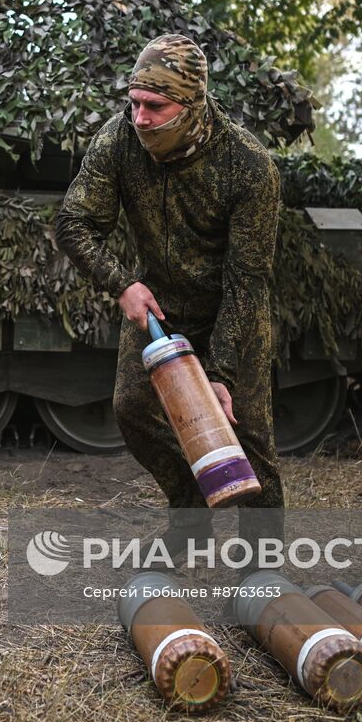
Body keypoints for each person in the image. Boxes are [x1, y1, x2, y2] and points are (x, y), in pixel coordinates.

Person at [54, 33, 284, 536]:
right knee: (131, 408)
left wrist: (219, 372)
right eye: (134, 102)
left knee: (249, 438)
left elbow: (247, 281)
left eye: (155, 107)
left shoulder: (248, 166)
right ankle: (190, 513)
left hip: (232, 309)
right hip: (158, 307)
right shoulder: (120, 140)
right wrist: (122, 285)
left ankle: (265, 575)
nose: (140, 118)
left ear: (191, 103)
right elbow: (73, 222)